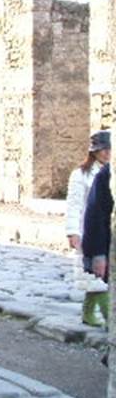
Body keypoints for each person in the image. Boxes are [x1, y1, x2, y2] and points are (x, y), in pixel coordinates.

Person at [67, 130, 110, 325]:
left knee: (95, 277)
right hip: (88, 228)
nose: (107, 153)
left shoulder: (110, 173)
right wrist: (72, 231)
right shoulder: (81, 174)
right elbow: (74, 204)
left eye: (109, 149)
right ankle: (109, 317)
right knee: (95, 273)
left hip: (104, 229)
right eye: (103, 149)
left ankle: (88, 311)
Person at [81, 154, 113, 327]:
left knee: (97, 280)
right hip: (101, 239)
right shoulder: (105, 176)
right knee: (100, 279)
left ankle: (91, 312)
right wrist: (98, 254)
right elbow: (94, 213)